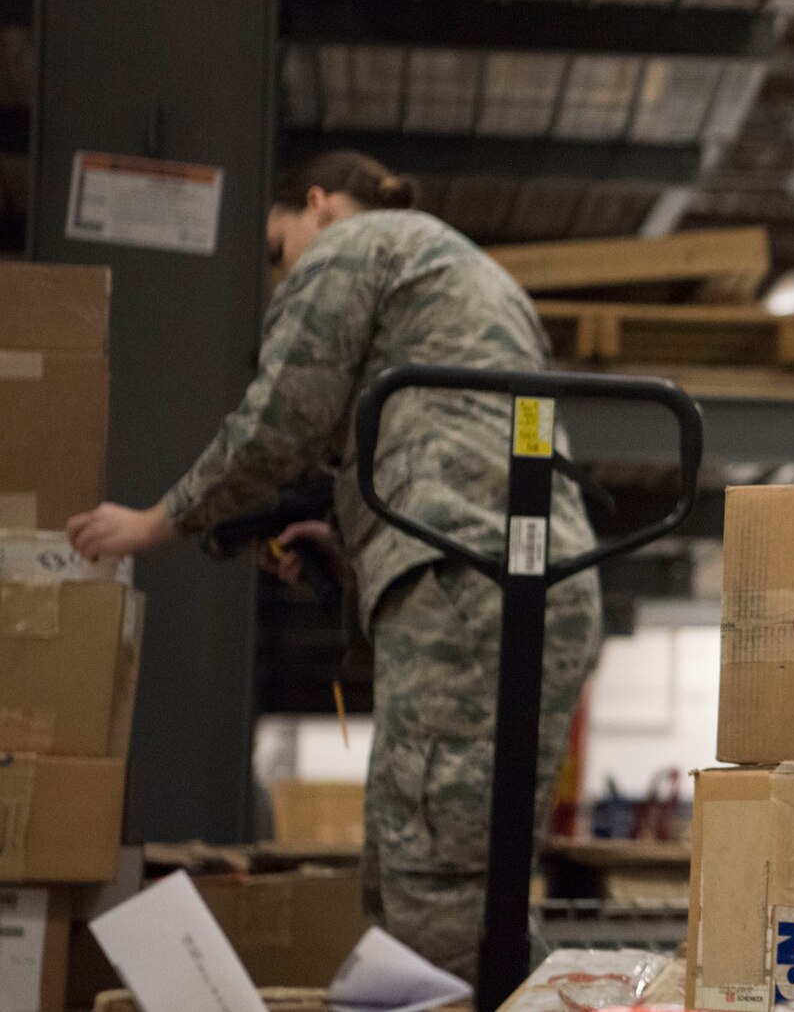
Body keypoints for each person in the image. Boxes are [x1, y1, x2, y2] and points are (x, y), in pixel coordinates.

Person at [68, 149, 600, 981]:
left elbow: (282, 414)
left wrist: (155, 520)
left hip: (469, 579)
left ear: (316, 205)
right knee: (449, 866)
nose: (285, 273)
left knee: (432, 876)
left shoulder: (354, 245)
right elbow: (461, 452)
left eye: (280, 250)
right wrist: (347, 544)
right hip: (519, 576)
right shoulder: (466, 271)